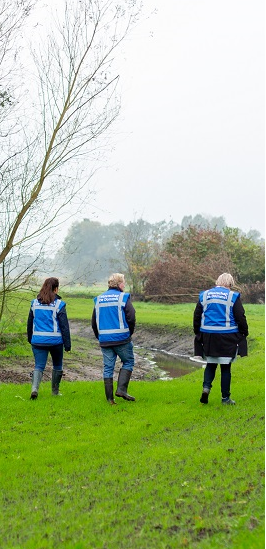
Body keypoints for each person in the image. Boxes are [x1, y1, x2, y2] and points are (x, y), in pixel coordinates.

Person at [193, 273, 248, 405]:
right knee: (225, 367)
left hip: (208, 336)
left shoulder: (204, 295)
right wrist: (244, 332)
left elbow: (197, 315)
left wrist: (198, 333)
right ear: (230, 284)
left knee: (210, 364)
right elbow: (240, 316)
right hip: (227, 336)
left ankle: (206, 389)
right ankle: (225, 398)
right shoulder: (233, 296)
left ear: (218, 282)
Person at [91, 273, 136, 405]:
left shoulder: (98, 299)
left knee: (108, 368)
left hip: (105, 339)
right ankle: (121, 389)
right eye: (124, 283)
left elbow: (94, 322)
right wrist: (129, 333)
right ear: (119, 284)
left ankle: (110, 399)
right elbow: (131, 317)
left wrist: (99, 336)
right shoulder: (123, 297)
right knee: (128, 361)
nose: (124, 285)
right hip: (122, 338)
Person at [27, 277, 71, 400]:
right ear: (56, 289)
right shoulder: (59, 304)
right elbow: (64, 326)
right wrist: (67, 344)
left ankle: (34, 389)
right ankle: (55, 392)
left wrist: (30, 338)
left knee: (39, 366)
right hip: (55, 341)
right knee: (57, 365)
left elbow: (29, 322)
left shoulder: (34, 303)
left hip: (38, 341)